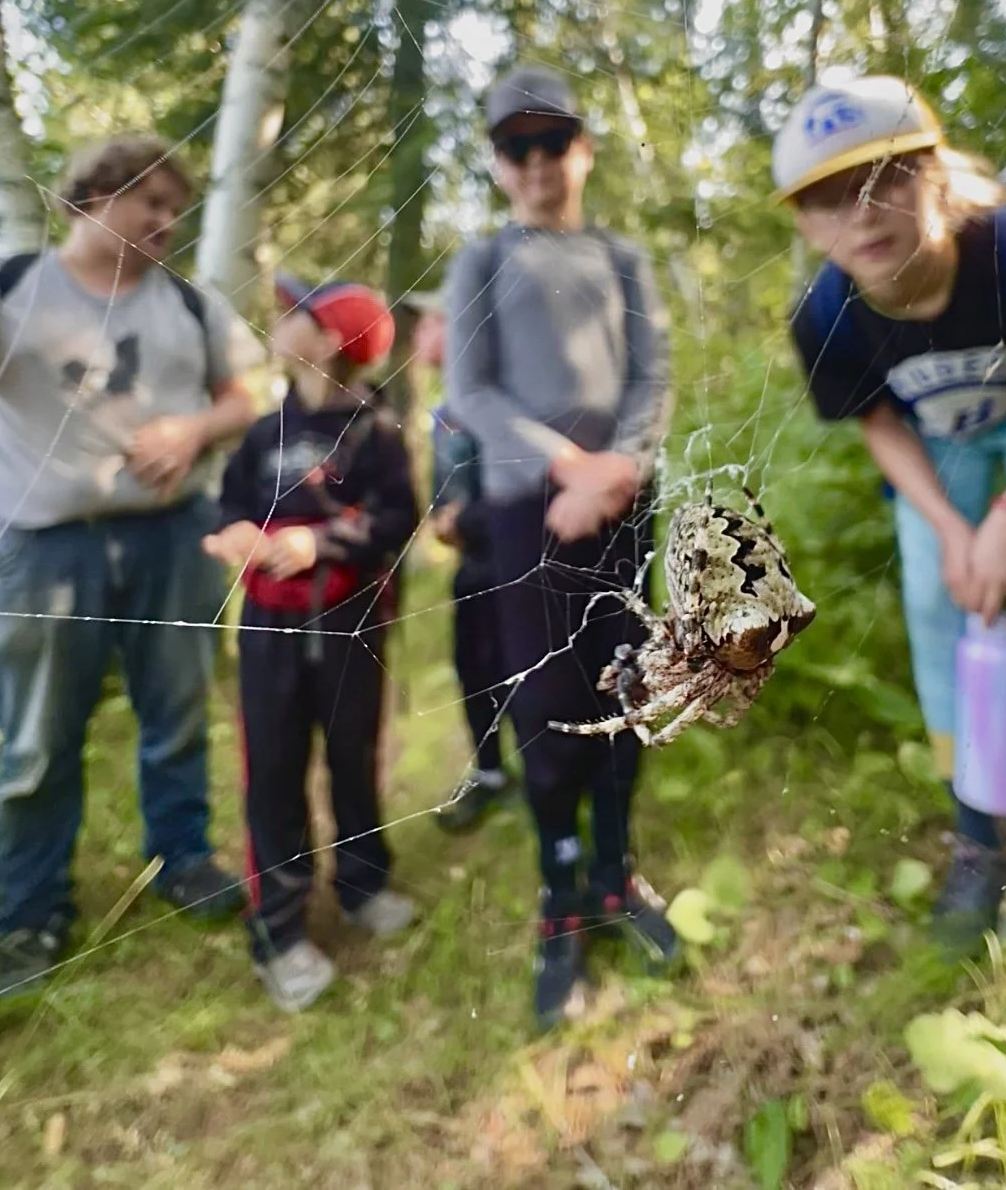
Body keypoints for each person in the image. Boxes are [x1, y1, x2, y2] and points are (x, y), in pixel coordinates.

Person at [777, 74, 1006, 953]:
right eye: (826, 200)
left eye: (885, 179)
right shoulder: (827, 315)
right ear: (802, 223)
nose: (861, 216)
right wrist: (954, 531)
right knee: (942, 606)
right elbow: (878, 425)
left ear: (935, 173)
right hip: (936, 452)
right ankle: (983, 838)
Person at [0, 135, 257, 998]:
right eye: (150, 202)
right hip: (43, 547)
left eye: (176, 208)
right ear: (92, 197)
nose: (166, 222)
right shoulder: (10, 286)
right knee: (36, 737)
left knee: (176, 710)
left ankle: (182, 860)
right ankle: (31, 913)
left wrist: (190, 431)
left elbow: (245, 396)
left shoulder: (187, 305)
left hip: (172, 538)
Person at [445, 63, 677, 1031]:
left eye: (553, 143)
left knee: (629, 682)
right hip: (524, 508)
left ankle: (620, 872)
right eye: (516, 147)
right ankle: (560, 893)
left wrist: (619, 465)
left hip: (623, 502)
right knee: (545, 701)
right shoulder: (482, 261)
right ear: (499, 164)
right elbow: (471, 389)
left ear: (583, 150)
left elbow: (653, 370)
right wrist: (567, 468)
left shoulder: (623, 256)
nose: (537, 163)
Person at [203, 272, 418, 1013]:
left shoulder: (374, 432)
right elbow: (232, 501)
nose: (279, 318)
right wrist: (238, 533)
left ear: (329, 340)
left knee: (353, 754)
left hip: (350, 622)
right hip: (269, 630)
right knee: (273, 766)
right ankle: (281, 930)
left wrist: (319, 542)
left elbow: (396, 518)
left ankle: (364, 883)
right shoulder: (265, 433)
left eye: (295, 312)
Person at [408, 293, 515, 831]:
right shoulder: (445, 410)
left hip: (513, 569)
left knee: (519, 670)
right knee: (475, 670)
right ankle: (492, 774)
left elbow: (517, 487)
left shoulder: (498, 400)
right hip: (471, 568)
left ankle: (553, 775)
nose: (418, 333)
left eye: (430, 321)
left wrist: (463, 521)